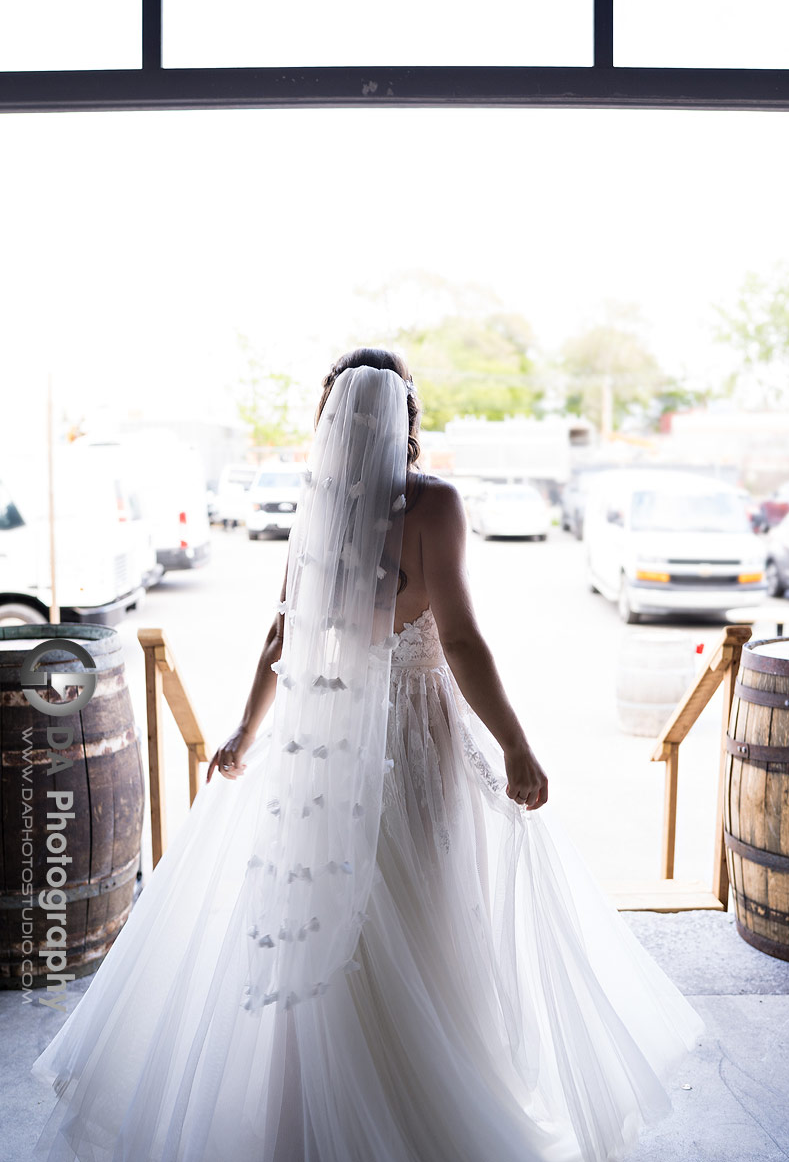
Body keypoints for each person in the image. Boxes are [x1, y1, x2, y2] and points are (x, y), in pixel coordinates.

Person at [31, 350, 706, 1162]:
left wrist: (246, 731)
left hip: (321, 747)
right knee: (424, 911)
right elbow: (456, 639)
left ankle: (310, 1121)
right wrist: (517, 745)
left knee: (324, 920)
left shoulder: (322, 505)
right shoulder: (435, 506)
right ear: (408, 419)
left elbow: (282, 633)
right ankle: (423, 1114)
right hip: (414, 743)